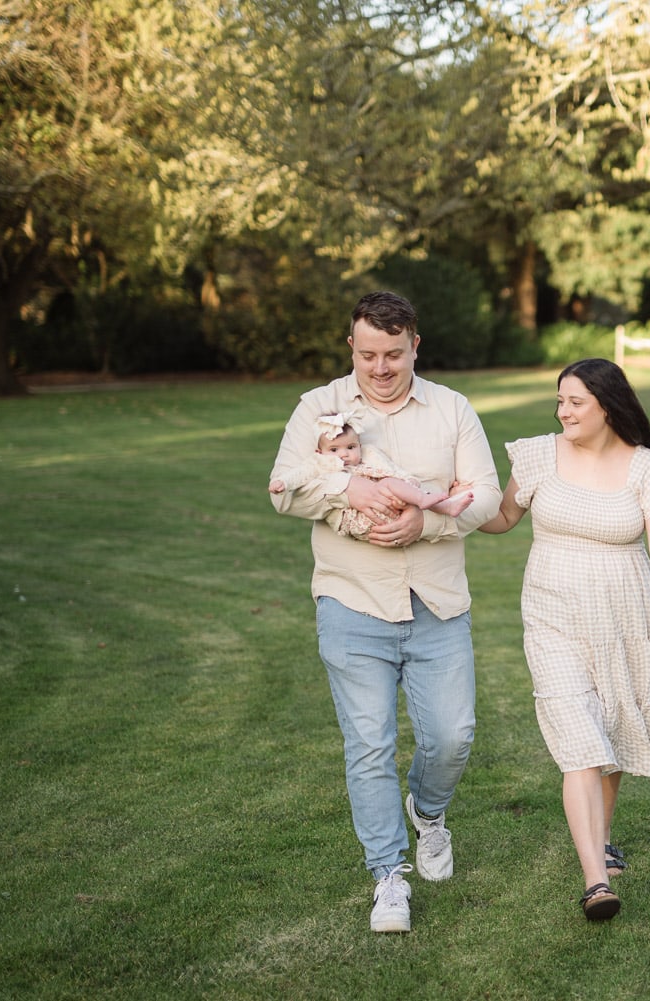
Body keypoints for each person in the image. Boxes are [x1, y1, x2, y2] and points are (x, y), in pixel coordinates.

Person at [268, 291, 501, 933]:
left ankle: (428, 812)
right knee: (369, 745)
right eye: (368, 354)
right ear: (351, 347)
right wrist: (352, 485)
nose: (380, 367)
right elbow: (284, 489)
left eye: (393, 354)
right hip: (351, 601)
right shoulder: (317, 410)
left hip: (437, 603)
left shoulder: (452, 410)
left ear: (415, 347)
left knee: (453, 736)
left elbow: (483, 498)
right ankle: (387, 877)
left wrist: (424, 521)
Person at [479, 357, 650, 921]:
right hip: (552, 615)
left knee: (614, 729)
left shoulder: (643, 467)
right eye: (559, 401)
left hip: (624, 616)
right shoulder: (537, 455)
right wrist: (443, 504)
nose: (563, 412)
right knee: (578, 736)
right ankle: (595, 880)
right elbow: (502, 516)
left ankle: (599, 840)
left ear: (607, 405)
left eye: (574, 402)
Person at [269, 408, 475, 538]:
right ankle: (428, 501)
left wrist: (408, 481)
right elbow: (300, 474)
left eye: (351, 447)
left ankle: (446, 506)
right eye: (334, 450)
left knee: (394, 484)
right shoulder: (319, 463)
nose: (344, 455)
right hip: (358, 519)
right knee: (390, 485)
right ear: (320, 452)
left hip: (390, 509)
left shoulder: (368, 454)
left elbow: (391, 470)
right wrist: (283, 483)